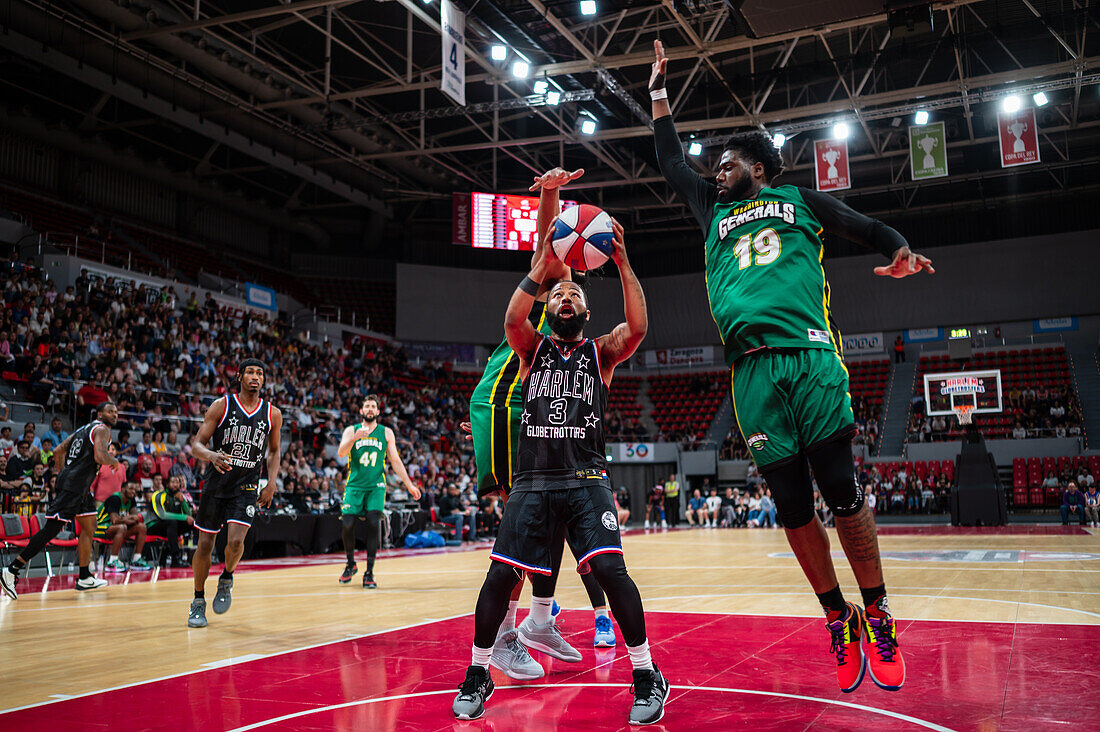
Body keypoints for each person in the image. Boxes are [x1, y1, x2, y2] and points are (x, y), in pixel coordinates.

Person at [649, 39, 929, 694]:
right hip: (751, 373)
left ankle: (879, 608)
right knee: (792, 506)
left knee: (842, 490)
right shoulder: (710, 209)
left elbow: (867, 225)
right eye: (714, 166)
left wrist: (900, 249)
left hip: (810, 356)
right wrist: (660, 91)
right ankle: (838, 617)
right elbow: (667, 157)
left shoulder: (802, 200)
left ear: (758, 166)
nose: (717, 172)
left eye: (727, 163)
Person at [453, 209, 669, 726]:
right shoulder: (531, 350)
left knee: (613, 572)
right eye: (558, 296)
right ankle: (479, 672)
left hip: (587, 479)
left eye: (574, 295)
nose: (565, 298)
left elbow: (638, 326)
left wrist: (621, 261)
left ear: (587, 312)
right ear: (548, 309)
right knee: (500, 575)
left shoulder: (602, 353)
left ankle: (645, 673)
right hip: (533, 482)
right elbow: (511, 320)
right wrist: (543, 267)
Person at [463, 167, 616, 677]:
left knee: (546, 514)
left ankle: (539, 617)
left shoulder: (567, 301)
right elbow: (545, 250)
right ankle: (507, 635)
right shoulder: (551, 286)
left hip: (513, 409)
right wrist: (551, 194)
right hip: (506, 403)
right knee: (526, 521)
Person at [187, 359, 282, 628]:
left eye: (260, 373)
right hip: (216, 485)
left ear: (264, 380)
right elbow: (197, 445)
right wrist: (211, 456)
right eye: (250, 372)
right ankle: (197, 601)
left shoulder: (272, 413)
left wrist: (271, 482)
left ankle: (227, 577)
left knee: (236, 543)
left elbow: (274, 451)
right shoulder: (222, 405)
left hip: (247, 486)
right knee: (205, 545)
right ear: (240, 376)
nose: (255, 377)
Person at [1, 403, 120, 599]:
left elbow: (58, 451)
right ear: (99, 413)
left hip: (79, 486)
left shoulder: (83, 429)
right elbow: (100, 456)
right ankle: (12, 569)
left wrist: (65, 471)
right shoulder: (102, 429)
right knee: (52, 530)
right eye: (110, 411)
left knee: (90, 525)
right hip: (75, 486)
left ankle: (84, 577)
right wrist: (112, 460)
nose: (114, 414)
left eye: (116, 412)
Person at [335, 395, 421, 588]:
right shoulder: (352, 430)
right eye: (367, 406)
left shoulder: (386, 432)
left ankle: (369, 572)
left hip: (376, 486)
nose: (370, 409)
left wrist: (409, 485)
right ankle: (350, 564)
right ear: (361, 411)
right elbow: (341, 453)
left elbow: (395, 461)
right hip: (355, 486)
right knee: (347, 524)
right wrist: (354, 440)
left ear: (378, 411)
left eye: (373, 406)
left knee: (374, 523)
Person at [95, 481, 152, 571]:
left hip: (115, 529)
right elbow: (115, 520)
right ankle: (112, 562)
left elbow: (137, 518)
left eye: (135, 489)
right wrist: (128, 519)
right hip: (99, 527)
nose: (133, 491)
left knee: (142, 527)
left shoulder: (131, 500)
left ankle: (136, 560)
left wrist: (127, 519)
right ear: (123, 489)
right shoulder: (115, 499)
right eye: (130, 489)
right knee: (121, 527)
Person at [146, 475, 194, 566]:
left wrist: (182, 501)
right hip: (153, 525)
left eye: (177, 482)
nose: (175, 485)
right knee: (172, 522)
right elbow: (162, 515)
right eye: (173, 482)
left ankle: (192, 555)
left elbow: (189, 516)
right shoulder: (158, 495)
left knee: (191, 524)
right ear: (167, 485)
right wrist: (184, 518)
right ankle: (175, 556)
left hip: (170, 527)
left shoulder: (178, 496)